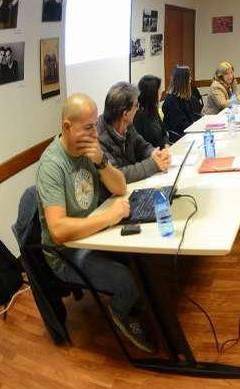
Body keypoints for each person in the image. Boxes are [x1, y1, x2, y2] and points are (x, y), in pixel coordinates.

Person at [36, 93, 153, 352]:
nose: (95, 131)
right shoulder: (52, 165)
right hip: (67, 252)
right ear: (67, 127)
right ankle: (120, 311)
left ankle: (140, 303)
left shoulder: (89, 150)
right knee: (126, 281)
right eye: (88, 127)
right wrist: (108, 218)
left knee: (144, 259)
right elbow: (57, 231)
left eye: (94, 124)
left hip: (94, 233)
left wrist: (101, 162)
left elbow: (120, 186)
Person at [98, 82, 170, 183]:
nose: (138, 108)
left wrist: (155, 153)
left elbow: (142, 146)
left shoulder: (128, 126)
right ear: (125, 114)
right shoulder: (99, 138)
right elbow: (117, 174)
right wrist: (153, 165)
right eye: (136, 105)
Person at [162, 65, 202, 141]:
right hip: (180, 137)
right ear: (182, 81)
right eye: (189, 77)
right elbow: (181, 125)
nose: (190, 79)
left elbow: (196, 114)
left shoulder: (187, 98)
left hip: (190, 132)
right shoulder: (171, 101)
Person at [133, 74, 169, 149]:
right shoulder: (138, 116)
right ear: (152, 93)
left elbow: (164, 132)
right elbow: (142, 148)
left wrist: (166, 144)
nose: (161, 92)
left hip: (162, 153)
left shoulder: (153, 110)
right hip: (152, 157)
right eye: (159, 90)